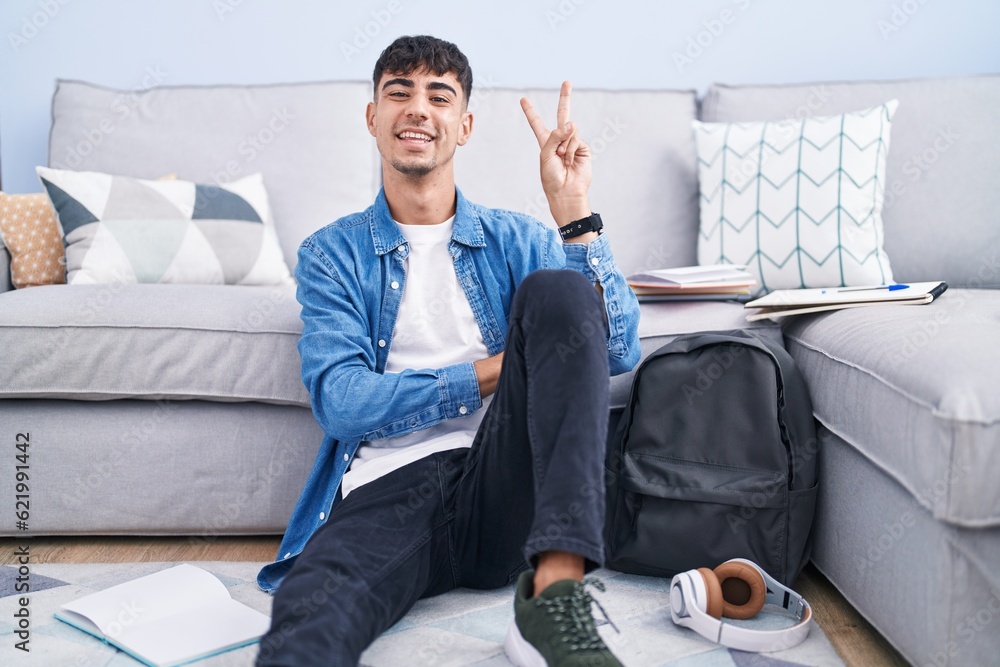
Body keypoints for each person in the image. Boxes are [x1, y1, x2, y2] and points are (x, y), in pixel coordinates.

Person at [255, 35, 640, 667]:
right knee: (312, 611)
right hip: (390, 486)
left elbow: (617, 348)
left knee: (560, 294)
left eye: (439, 95)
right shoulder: (332, 254)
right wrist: (497, 368)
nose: (417, 108)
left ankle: (555, 592)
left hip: (504, 481)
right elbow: (343, 404)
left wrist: (573, 213)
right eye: (398, 92)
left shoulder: (518, 239)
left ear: (463, 126)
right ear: (372, 116)